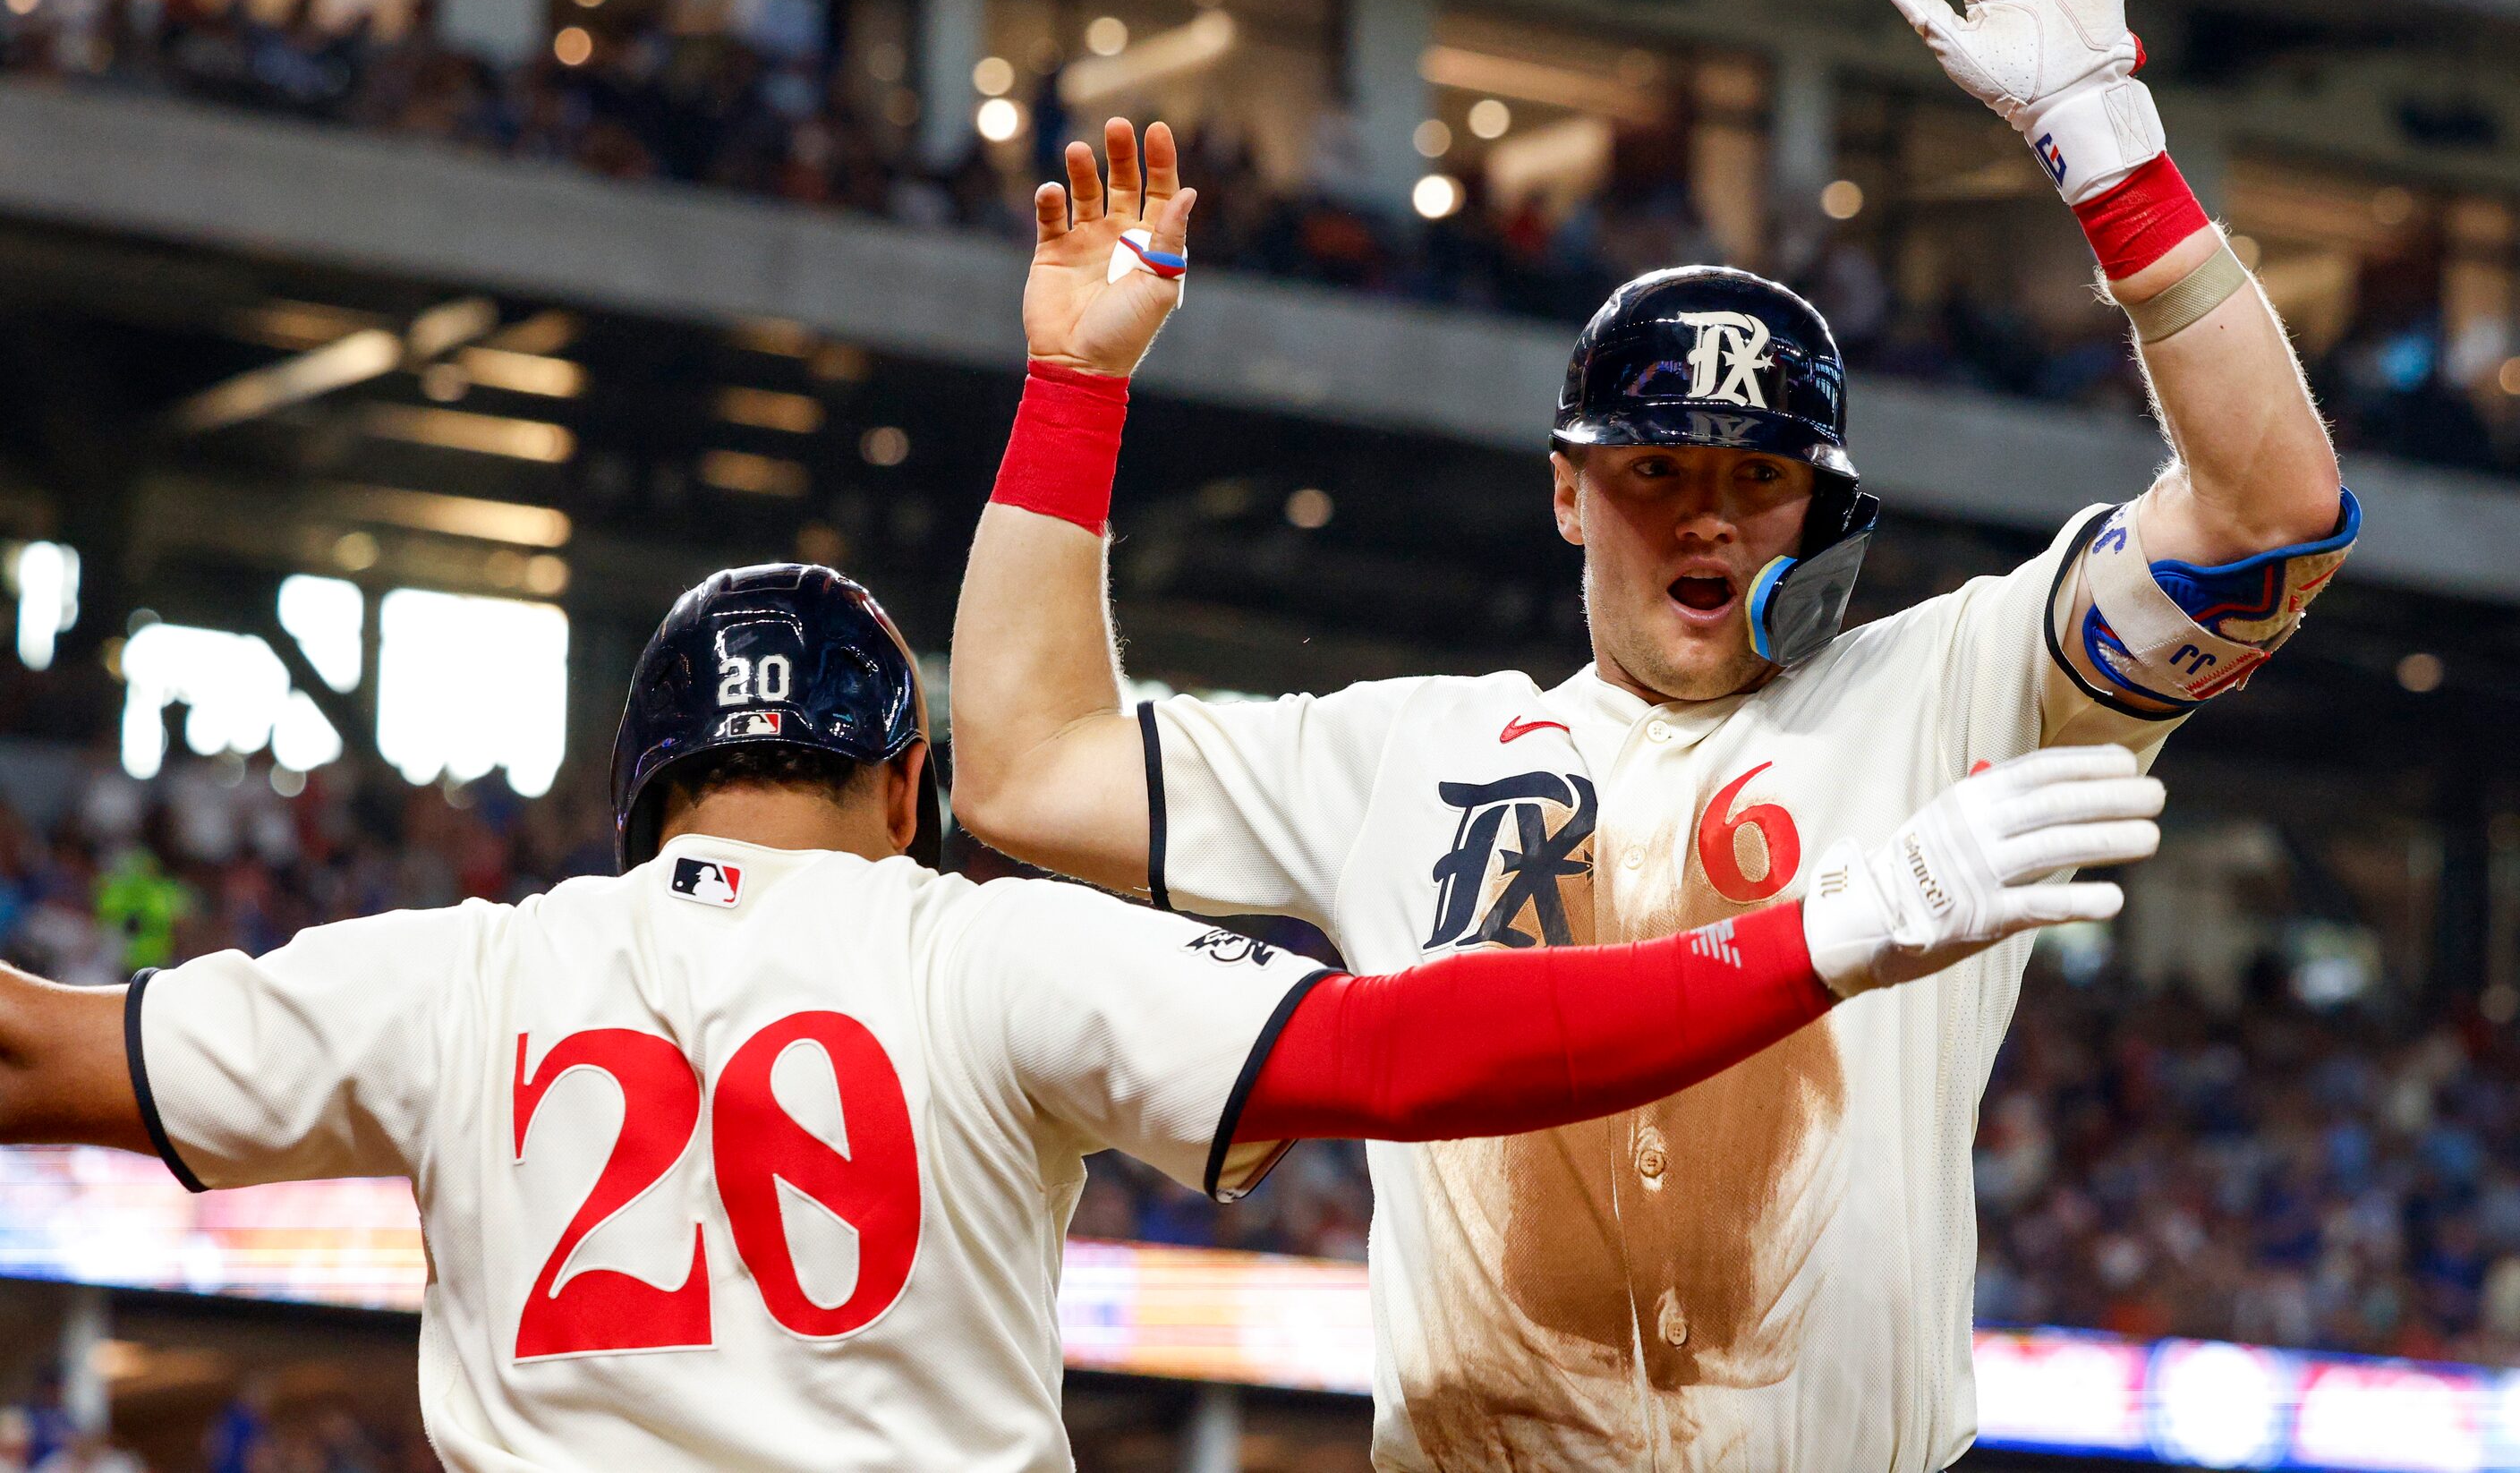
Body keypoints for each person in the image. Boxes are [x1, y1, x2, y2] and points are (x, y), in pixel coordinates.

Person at [947, 0, 2355, 1472]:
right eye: (1654, 472)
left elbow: (2271, 516)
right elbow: (1026, 767)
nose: (1705, 518)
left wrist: (2110, 149)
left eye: (1759, 477)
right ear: (1567, 494)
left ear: (1823, 513)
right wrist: (1072, 392)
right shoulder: (1405, 751)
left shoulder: (1954, 682)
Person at [0, 563, 2158, 1471]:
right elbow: (1403, 1056)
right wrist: (1822, 939)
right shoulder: (979, 941)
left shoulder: (458, 967)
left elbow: (37, 1054)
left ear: (638, 789)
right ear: (909, 786)